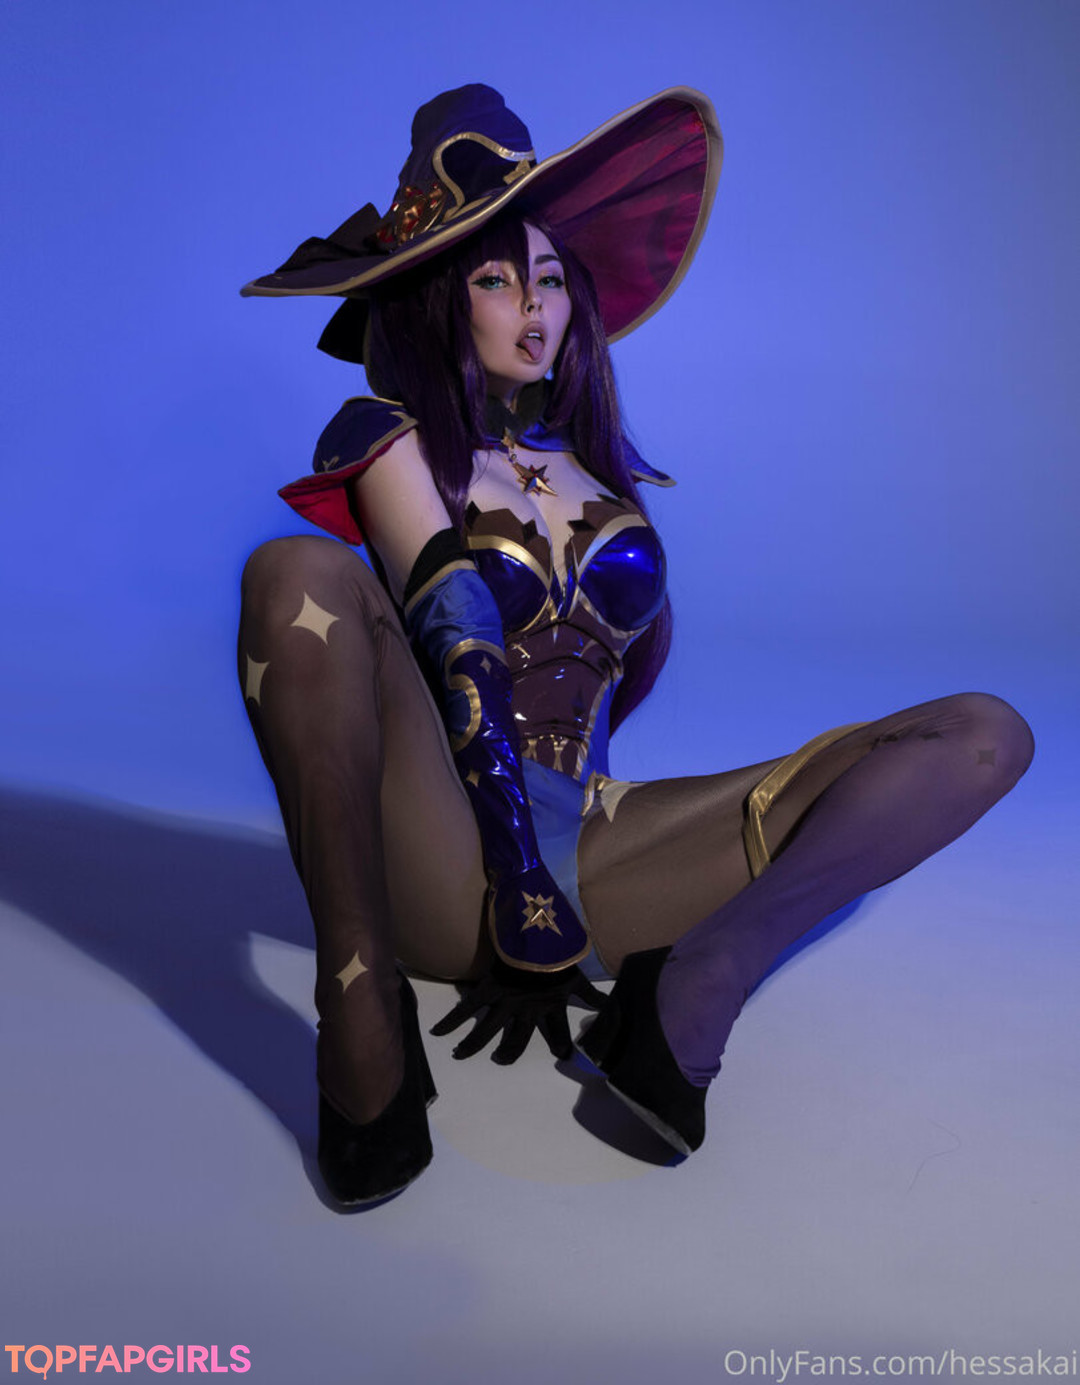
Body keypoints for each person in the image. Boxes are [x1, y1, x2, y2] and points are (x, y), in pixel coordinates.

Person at [238, 84, 1033, 1206]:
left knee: (984, 734)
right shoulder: (387, 438)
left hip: (596, 847)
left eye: (551, 278)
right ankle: (361, 1006)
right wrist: (520, 883)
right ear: (437, 297)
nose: (535, 307)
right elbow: (456, 629)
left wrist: (568, 872)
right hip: (448, 850)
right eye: (495, 279)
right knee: (295, 572)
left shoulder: (595, 468)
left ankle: (694, 982)